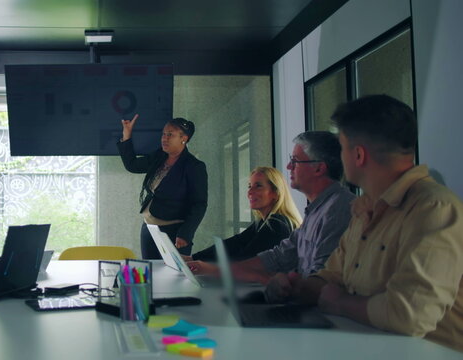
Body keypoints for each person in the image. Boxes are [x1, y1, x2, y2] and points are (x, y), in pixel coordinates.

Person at [271, 95, 463, 352]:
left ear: (358, 154)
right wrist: (293, 287)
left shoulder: (434, 208)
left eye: (342, 147)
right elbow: (332, 277)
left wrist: (340, 303)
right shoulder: (364, 210)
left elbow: (410, 315)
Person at [188, 131, 354, 284]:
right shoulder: (316, 211)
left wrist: (215, 270)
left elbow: (320, 282)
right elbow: (276, 257)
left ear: (319, 168)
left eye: (295, 161)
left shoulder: (337, 210)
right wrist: (206, 266)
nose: (289, 167)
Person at [118, 114, 208, 259]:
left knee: (174, 277)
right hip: (149, 227)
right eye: (164, 134)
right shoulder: (159, 157)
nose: (164, 138)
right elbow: (132, 165)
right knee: (153, 273)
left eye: (170, 135)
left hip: (174, 231)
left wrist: (186, 234)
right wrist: (127, 135)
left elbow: (199, 204)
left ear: (183, 138)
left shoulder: (194, 166)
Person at [185, 166, 302, 262]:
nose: (250, 192)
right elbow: (235, 243)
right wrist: (194, 258)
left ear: (276, 193)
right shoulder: (263, 222)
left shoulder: (277, 224)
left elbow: (245, 260)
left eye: (258, 186)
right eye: (250, 186)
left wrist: (201, 265)